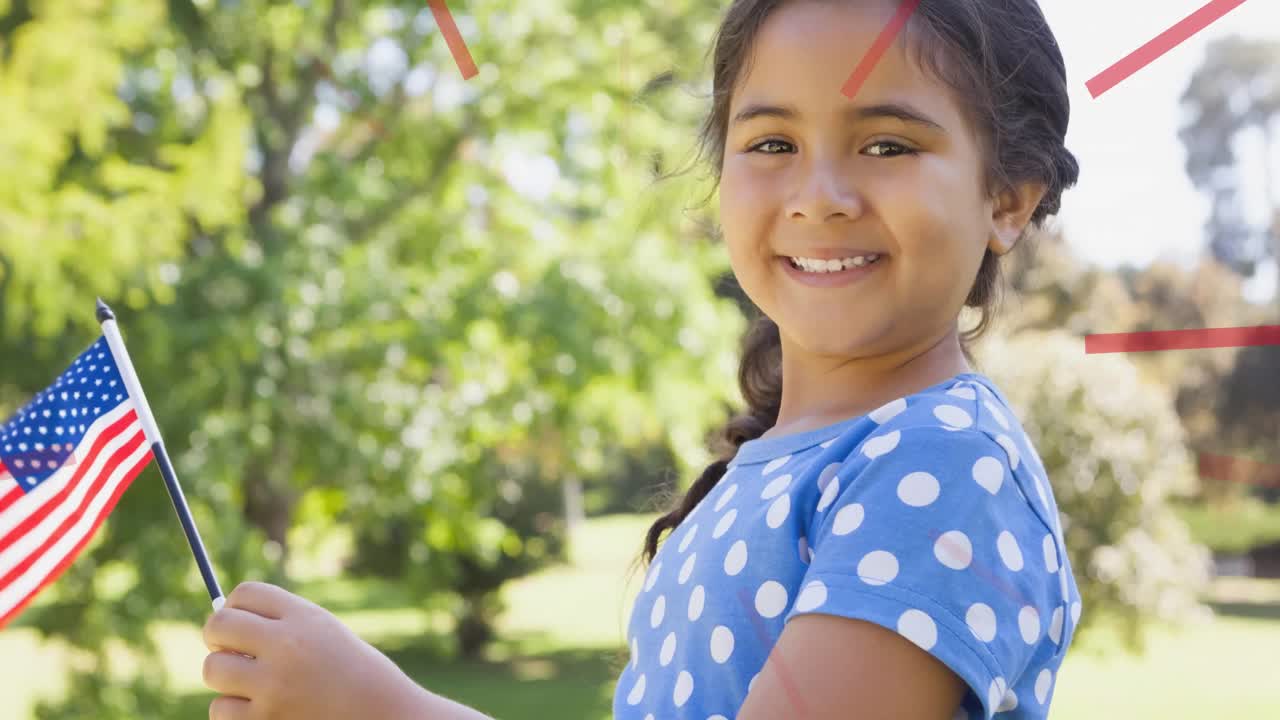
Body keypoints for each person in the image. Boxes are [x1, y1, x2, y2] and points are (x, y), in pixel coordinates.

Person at [200, 0, 1083, 717]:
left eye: (887, 144)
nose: (820, 197)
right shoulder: (802, 457)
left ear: (1006, 197)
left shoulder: (942, 463)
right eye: (772, 143)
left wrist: (382, 709)